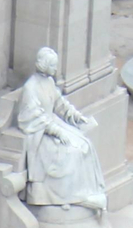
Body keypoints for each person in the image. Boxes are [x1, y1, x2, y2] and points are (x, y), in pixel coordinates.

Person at [15, 46, 107, 214]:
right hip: (40, 133)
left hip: (53, 123)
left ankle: (86, 193)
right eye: (53, 65)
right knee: (70, 152)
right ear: (44, 65)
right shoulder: (31, 87)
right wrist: (57, 131)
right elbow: (33, 117)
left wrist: (77, 117)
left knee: (85, 144)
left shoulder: (49, 82)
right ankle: (69, 197)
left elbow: (60, 104)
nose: (56, 69)